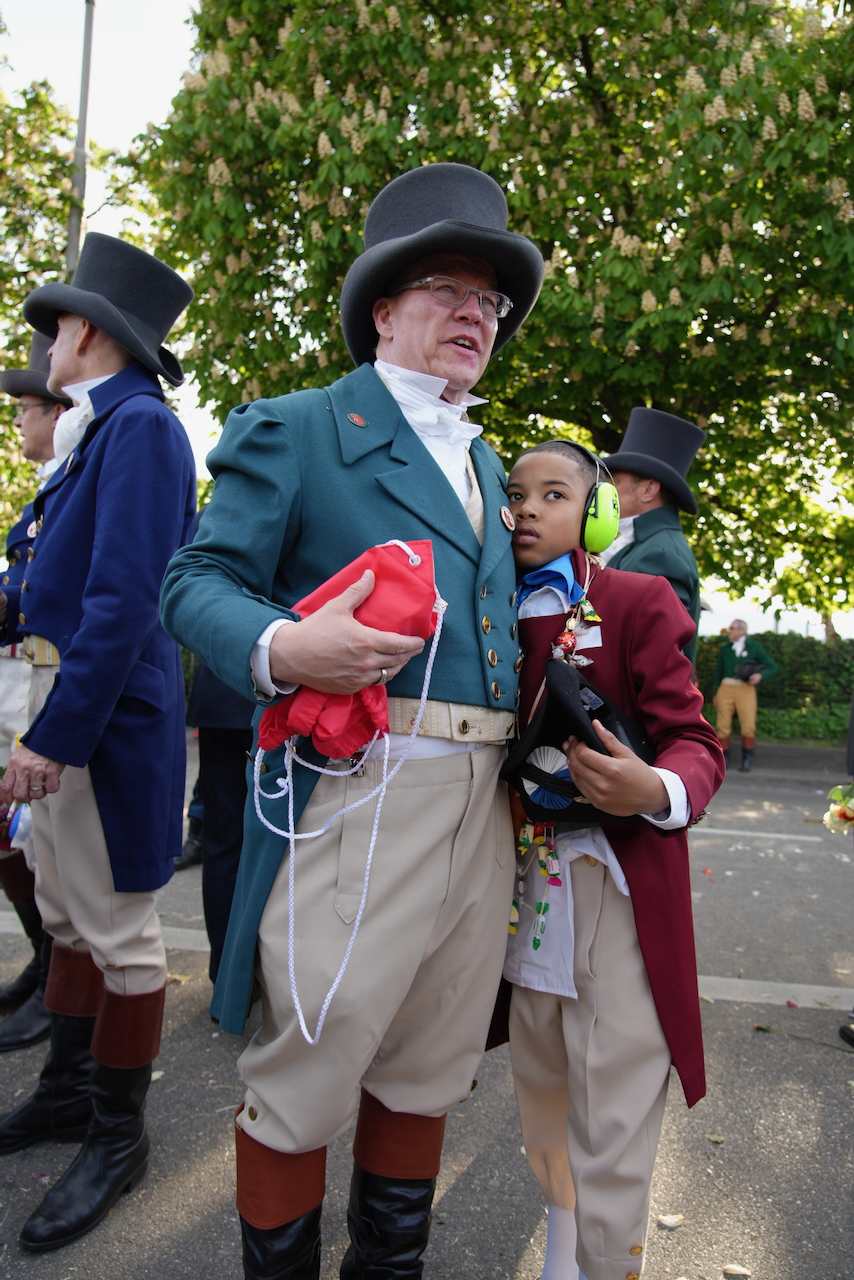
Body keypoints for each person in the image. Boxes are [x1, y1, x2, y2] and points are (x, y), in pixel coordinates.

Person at [161, 162, 544, 1278]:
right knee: (309, 1062)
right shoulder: (299, 426)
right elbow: (195, 580)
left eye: (490, 300)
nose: (476, 314)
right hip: (364, 785)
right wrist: (286, 647)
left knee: (428, 1062)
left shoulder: (484, 457)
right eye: (448, 289)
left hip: (478, 801)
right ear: (383, 308)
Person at [0, 233, 195, 1253]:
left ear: (87, 331)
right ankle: (71, 1093)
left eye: (57, 324)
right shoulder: (105, 427)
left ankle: (118, 1137)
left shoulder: (142, 428)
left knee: (119, 935)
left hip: (105, 723)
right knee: (71, 916)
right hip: (76, 704)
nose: (48, 342)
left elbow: (123, 602)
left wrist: (55, 736)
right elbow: (56, 585)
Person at [496, 439, 724, 1280]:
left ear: (598, 511)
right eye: (515, 493)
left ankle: (605, 1264)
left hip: (610, 882)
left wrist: (652, 787)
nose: (528, 508)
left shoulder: (635, 599)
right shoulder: (482, 605)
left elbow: (694, 739)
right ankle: (564, 1256)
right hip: (519, 886)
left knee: (616, 1101)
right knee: (542, 1086)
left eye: (555, 493)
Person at [0, 333, 70, 1051]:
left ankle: (57, 984)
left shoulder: (74, 484)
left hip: (54, 681)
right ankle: (46, 969)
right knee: (27, 846)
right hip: (28, 675)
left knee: (56, 859)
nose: (18, 420)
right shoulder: (45, 496)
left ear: (58, 412)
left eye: (26, 407)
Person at [179, 513, 255, 981]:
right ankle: (235, 970)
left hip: (225, 692)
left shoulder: (217, 512)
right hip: (270, 689)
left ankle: (227, 973)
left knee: (225, 840)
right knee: (244, 840)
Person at [601, 408, 705, 659]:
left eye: (615, 481)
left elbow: (656, 658)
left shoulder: (660, 554)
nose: (606, 488)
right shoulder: (644, 544)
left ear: (648, 490)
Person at [712, 618, 778, 771]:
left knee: (748, 725)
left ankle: (747, 759)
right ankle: (723, 759)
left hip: (746, 688)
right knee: (722, 725)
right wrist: (715, 693)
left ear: (741, 630)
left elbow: (772, 666)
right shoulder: (725, 649)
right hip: (726, 687)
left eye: (732, 628)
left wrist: (760, 675)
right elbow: (718, 673)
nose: (730, 631)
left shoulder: (754, 647)